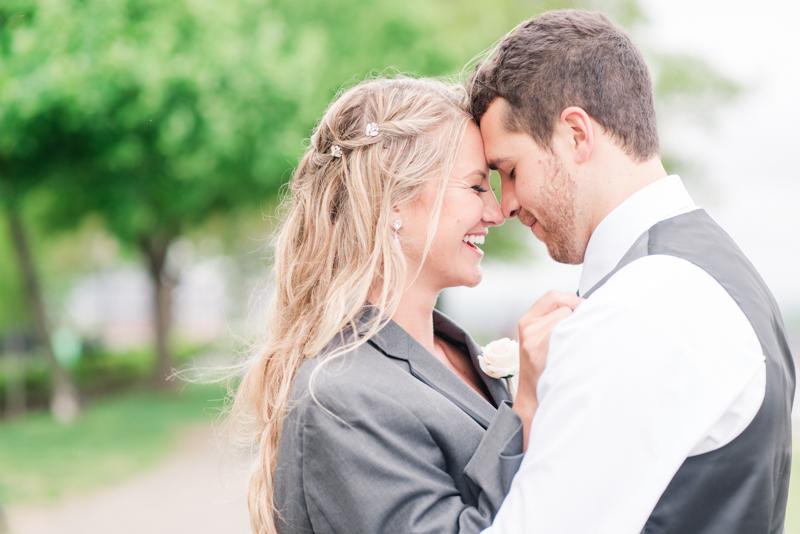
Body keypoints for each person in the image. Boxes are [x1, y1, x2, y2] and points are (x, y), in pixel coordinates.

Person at [467, 9, 795, 534]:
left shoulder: (641, 308)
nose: (505, 205)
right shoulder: (721, 272)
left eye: (509, 170)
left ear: (576, 134)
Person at [229, 76, 540, 534]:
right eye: (476, 187)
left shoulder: (451, 348)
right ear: (393, 199)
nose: (496, 211)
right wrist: (529, 405)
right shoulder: (341, 397)